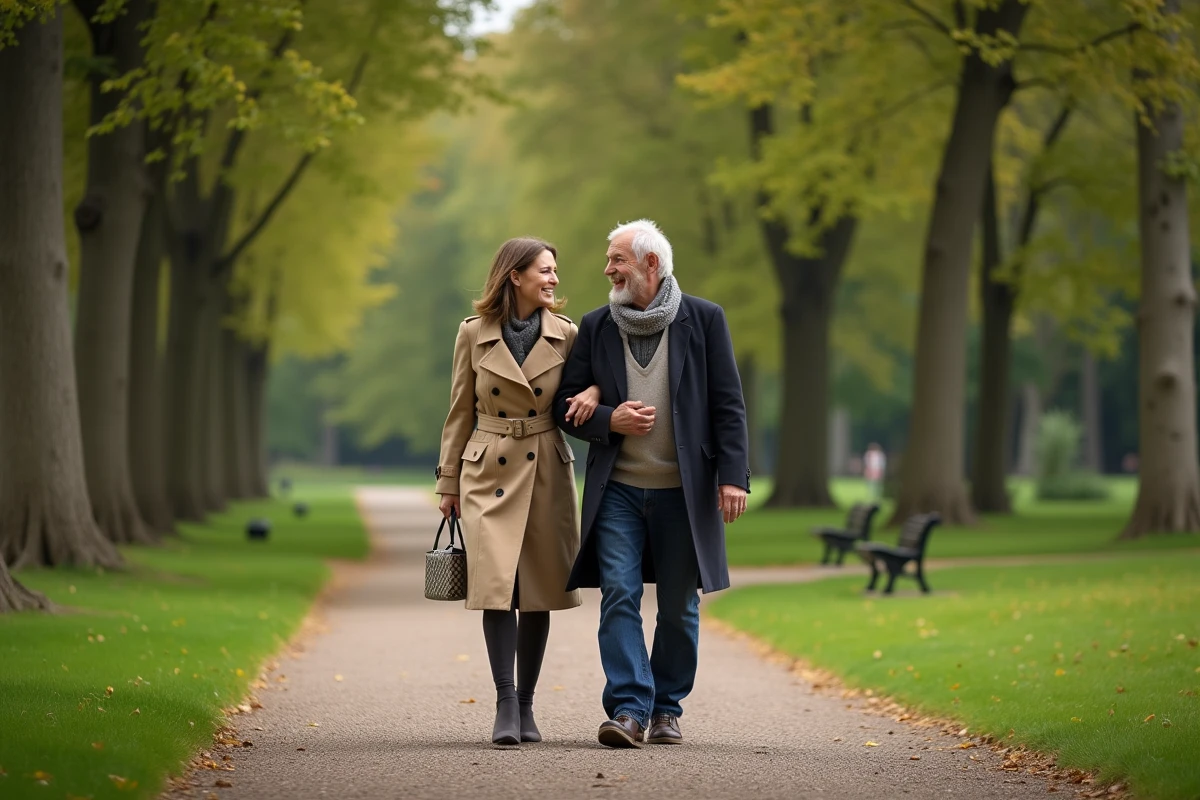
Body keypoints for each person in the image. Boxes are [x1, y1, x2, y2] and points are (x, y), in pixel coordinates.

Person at [553, 219, 750, 748]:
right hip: (616, 489)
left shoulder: (705, 320)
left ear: (650, 265)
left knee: (680, 605)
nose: (607, 269)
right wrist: (608, 419)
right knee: (619, 592)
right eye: (609, 258)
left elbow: (728, 405)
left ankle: (666, 708)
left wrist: (733, 477)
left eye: (616, 259)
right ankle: (630, 708)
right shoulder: (596, 327)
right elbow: (564, 407)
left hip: (684, 494)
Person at [435, 237, 600, 748]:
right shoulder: (472, 334)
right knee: (495, 585)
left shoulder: (569, 335)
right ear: (515, 276)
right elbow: (460, 409)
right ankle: (506, 702)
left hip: (546, 465)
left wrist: (594, 391)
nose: (553, 279)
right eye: (545, 271)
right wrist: (448, 482)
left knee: (539, 589)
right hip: (487, 466)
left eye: (555, 271)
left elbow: (588, 386)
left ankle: (527, 705)